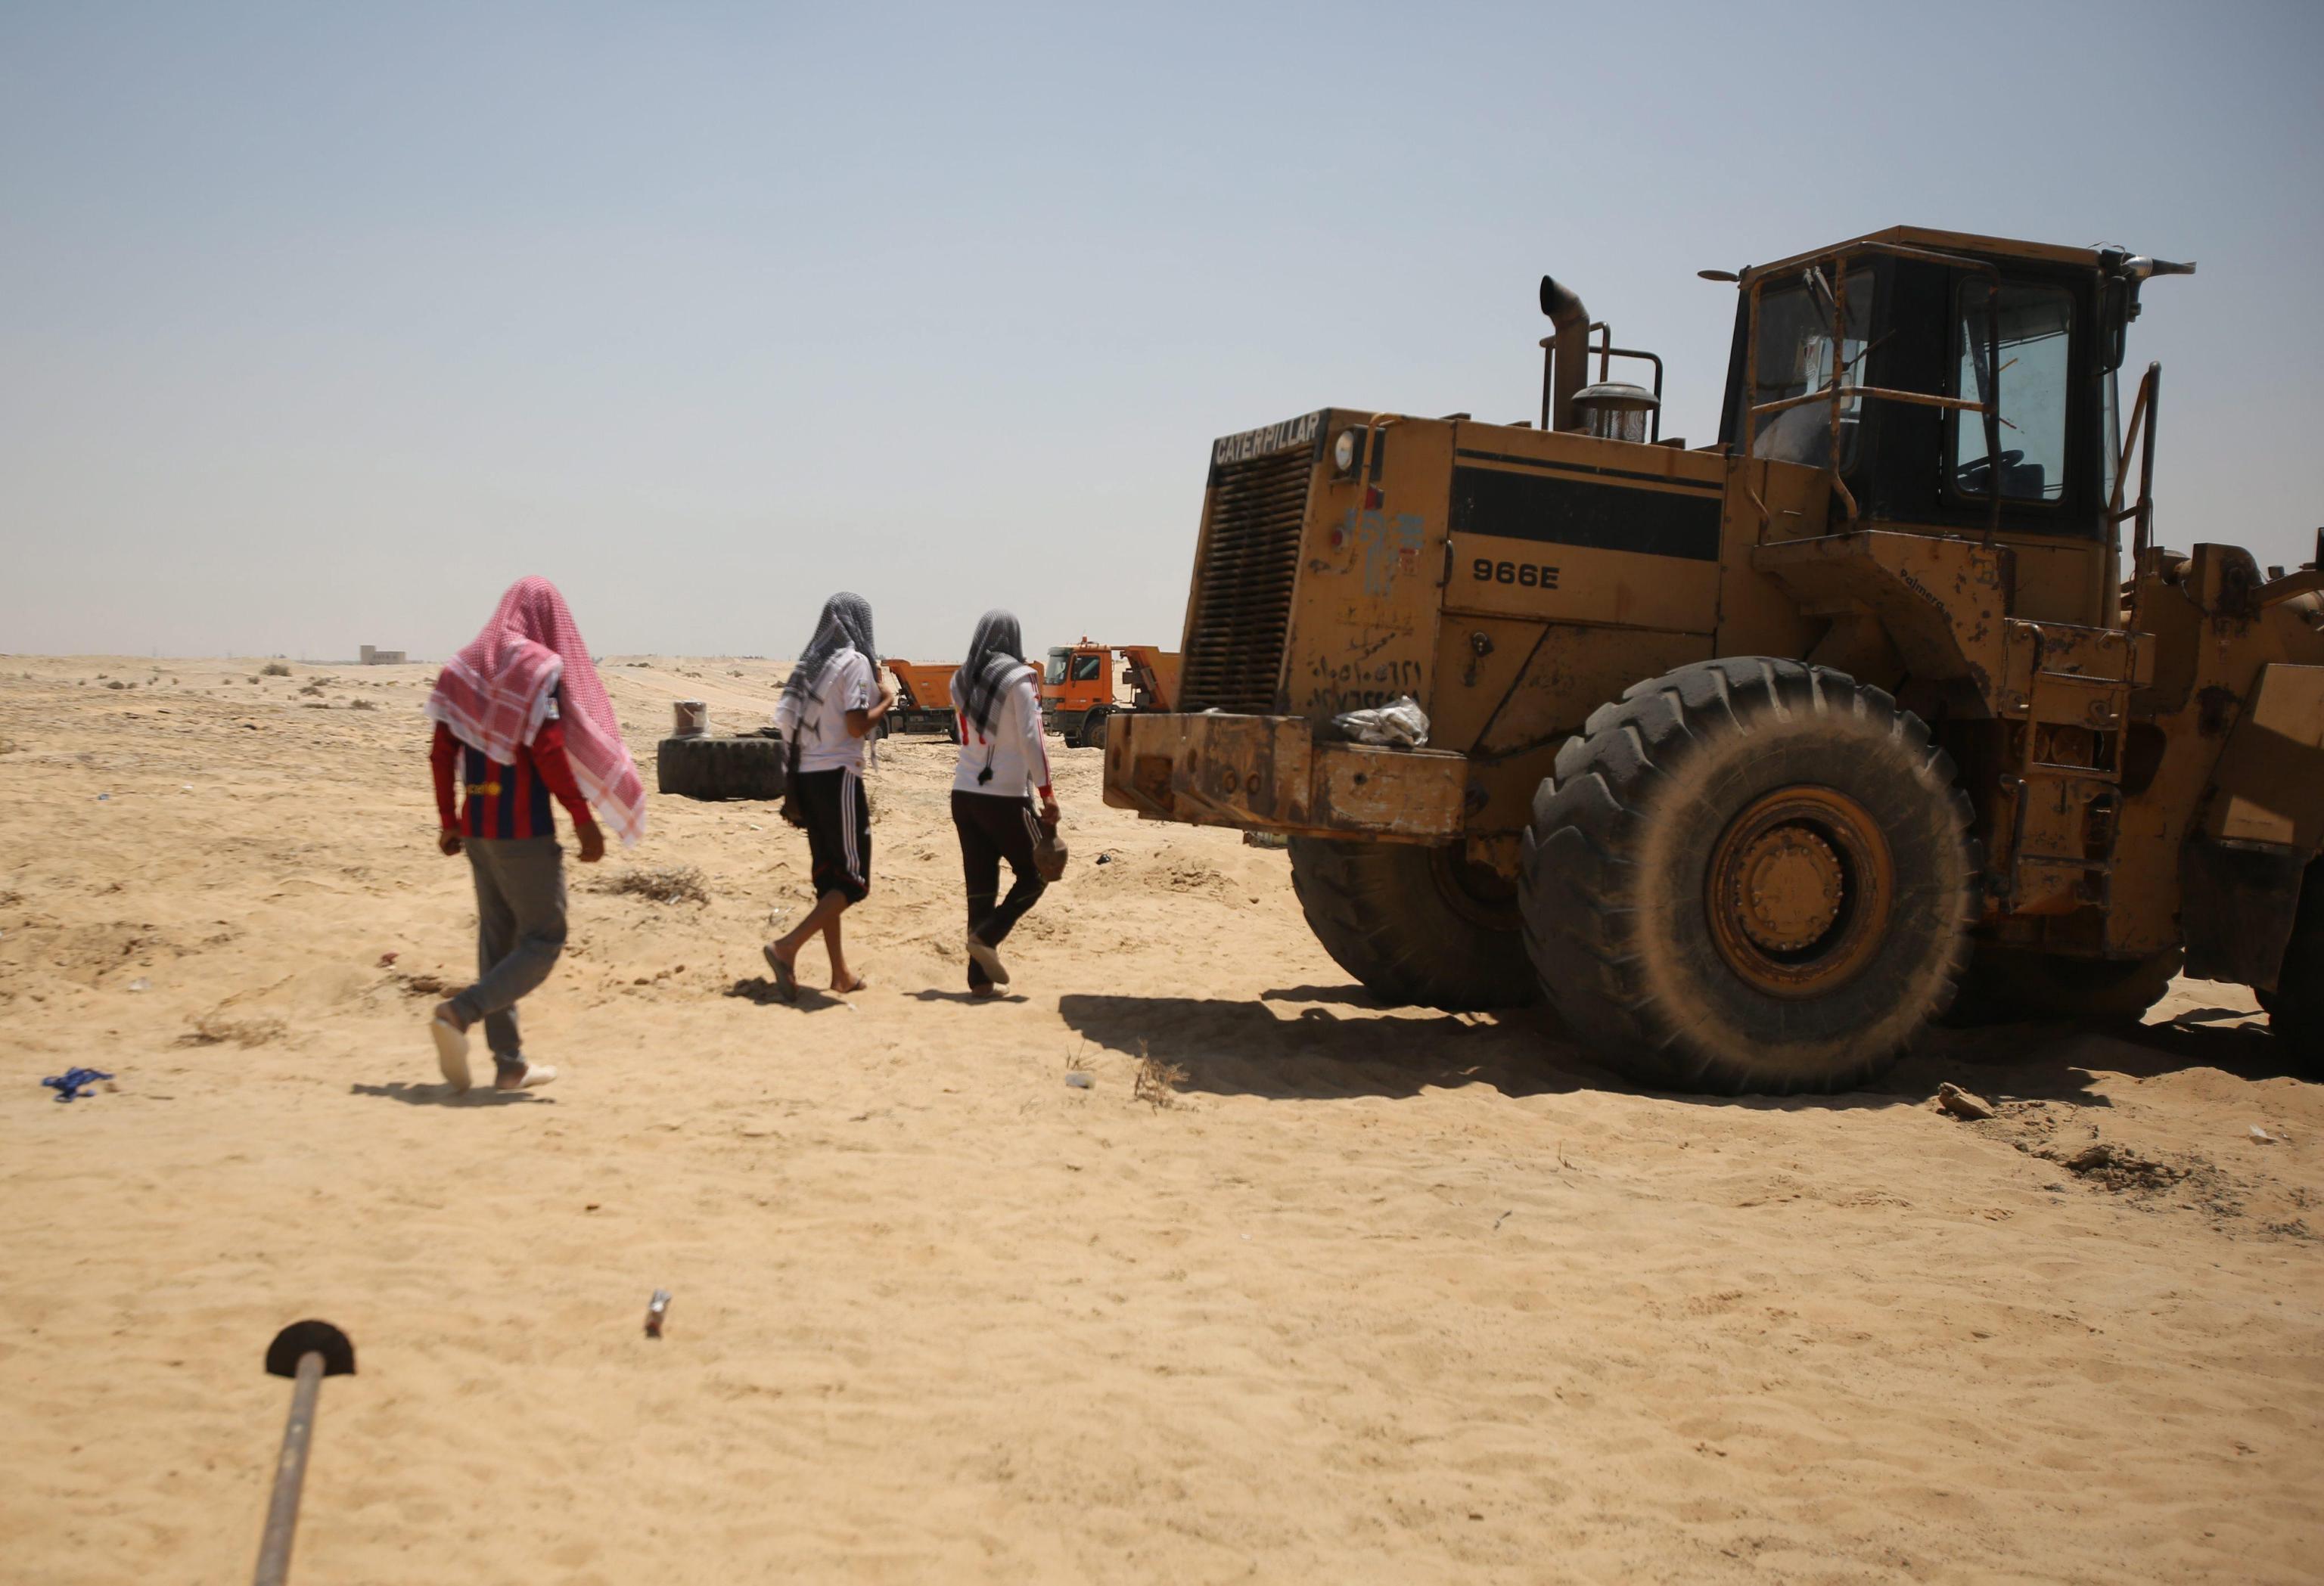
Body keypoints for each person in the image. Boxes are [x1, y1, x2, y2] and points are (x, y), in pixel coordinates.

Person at [424, 576, 645, 1093]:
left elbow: (440, 752)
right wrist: (582, 817)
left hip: (476, 821)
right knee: (545, 938)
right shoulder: (535, 668)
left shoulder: (465, 664)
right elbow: (546, 749)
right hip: (522, 828)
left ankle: (509, 1064)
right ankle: (460, 1012)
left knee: (498, 942)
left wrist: (448, 819)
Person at [765, 592, 894, 1001]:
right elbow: (856, 726)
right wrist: (888, 698)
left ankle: (839, 973)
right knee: (854, 881)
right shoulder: (854, 662)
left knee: (829, 878)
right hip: (837, 776)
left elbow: (786, 725)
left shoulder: (812, 667)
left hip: (805, 776)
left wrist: (793, 788)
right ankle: (787, 948)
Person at [951, 610, 1058, 997]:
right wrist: (1047, 794)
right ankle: (988, 937)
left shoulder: (961, 678)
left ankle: (979, 982)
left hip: (963, 795)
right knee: (1040, 872)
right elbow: (1034, 740)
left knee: (980, 888)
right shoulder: (1021, 678)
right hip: (1005, 798)